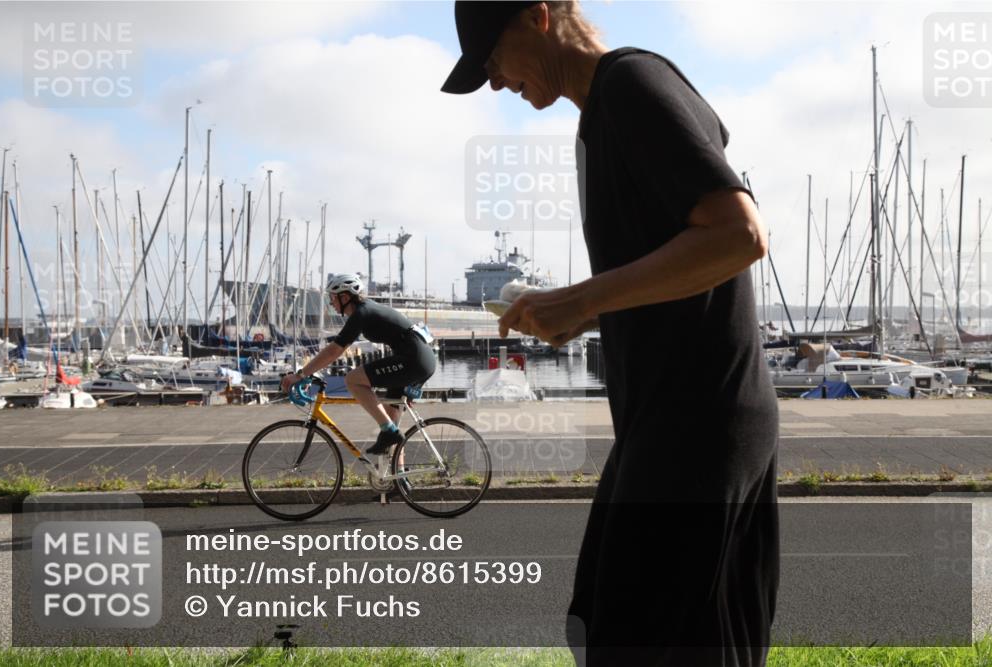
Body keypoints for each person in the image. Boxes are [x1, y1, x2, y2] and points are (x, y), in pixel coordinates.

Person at [442, 2, 779, 665]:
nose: (500, 83)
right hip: (674, 421)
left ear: (537, 16)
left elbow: (740, 235)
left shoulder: (631, 87)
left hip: (698, 424)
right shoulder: (606, 112)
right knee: (615, 620)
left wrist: (583, 297)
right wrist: (577, 311)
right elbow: (678, 266)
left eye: (494, 60)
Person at [280, 274, 436, 455]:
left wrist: (300, 374)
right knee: (391, 418)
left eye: (332, 298)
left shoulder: (361, 313)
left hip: (414, 360)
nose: (331, 303)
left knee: (353, 380)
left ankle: (389, 431)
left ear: (345, 297)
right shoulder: (365, 310)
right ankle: (398, 477)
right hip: (418, 359)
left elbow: (334, 350)